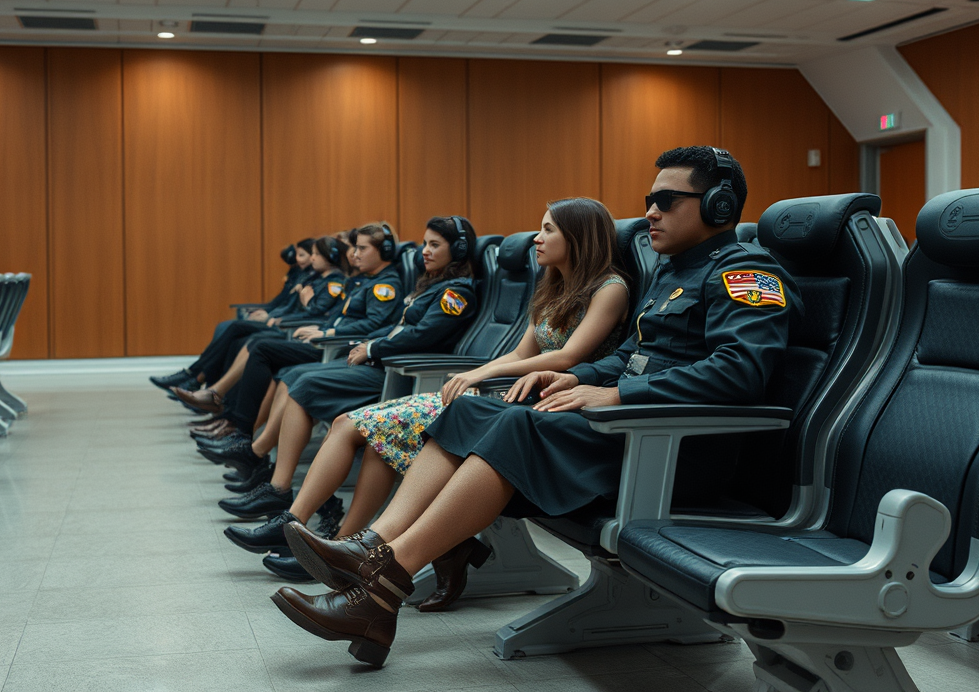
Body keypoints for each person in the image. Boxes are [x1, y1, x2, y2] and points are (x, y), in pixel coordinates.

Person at [270, 146, 803, 668]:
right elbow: (630, 357)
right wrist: (575, 375)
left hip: (678, 450)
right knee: (469, 412)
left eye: (666, 200)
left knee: (516, 427)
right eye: (649, 198)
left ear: (719, 207)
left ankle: (381, 582)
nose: (649, 212)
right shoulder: (671, 273)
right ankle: (374, 546)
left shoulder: (746, 273)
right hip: (626, 429)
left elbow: (739, 372)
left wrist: (619, 394)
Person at [227, 199, 631, 591]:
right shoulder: (551, 288)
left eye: (547, 229)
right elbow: (520, 353)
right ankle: (343, 549)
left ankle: (342, 550)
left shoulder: (610, 288)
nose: (536, 239)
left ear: (578, 236)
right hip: (508, 395)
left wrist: (481, 373)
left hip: (539, 405)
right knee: (366, 435)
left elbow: (567, 355)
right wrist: (480, 372)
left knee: (362, 429)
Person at [215, 217, 482, 521]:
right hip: (388, 365)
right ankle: (273, 478)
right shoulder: (433, 284)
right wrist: (372, 344)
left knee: (302, 381)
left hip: (402, 376)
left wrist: (372, 347)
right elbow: (398, 330)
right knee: (293, 375)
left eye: (435, 244)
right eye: (424, 243)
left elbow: (422, 336)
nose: (425, 251)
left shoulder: (457, 293)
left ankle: (274, 480)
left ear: (459, 249)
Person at [194, 224, 405, 451]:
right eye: (355, 248)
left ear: (383, 252)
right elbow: (336, 317)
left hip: (337, 347)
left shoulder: (385, 284)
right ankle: (235, 425)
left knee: (261, 348)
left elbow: (373, 324)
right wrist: (321, 328)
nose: (354, 254)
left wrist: (327, 332)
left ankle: (239, 429)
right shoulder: (365, 280)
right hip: (328, 341)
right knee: (258, 348)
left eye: (362, 249)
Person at [173, 236, 352, 413]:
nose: (312, 258)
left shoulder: (335, 282)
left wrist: (303, 300)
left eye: (316, 254)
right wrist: (271, 315)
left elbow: (316, 311)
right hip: (295, 327)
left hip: (300, 332)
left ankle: (214, 398)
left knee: (250, 339)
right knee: (240, 337)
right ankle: (214, 399)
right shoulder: (316, 278)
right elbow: (286, 305)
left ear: (330, 257)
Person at [149, 239, 314, 393]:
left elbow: (309, 312)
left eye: (305, 255)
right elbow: (281, 302)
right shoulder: (300, 275)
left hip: (289, 327)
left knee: (240, 334)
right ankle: (200, 383)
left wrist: (273, 316)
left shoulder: (319, 280)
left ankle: (198, 380)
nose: (300, 259)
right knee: (226, 328)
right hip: (280, 320)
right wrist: (268, 313)